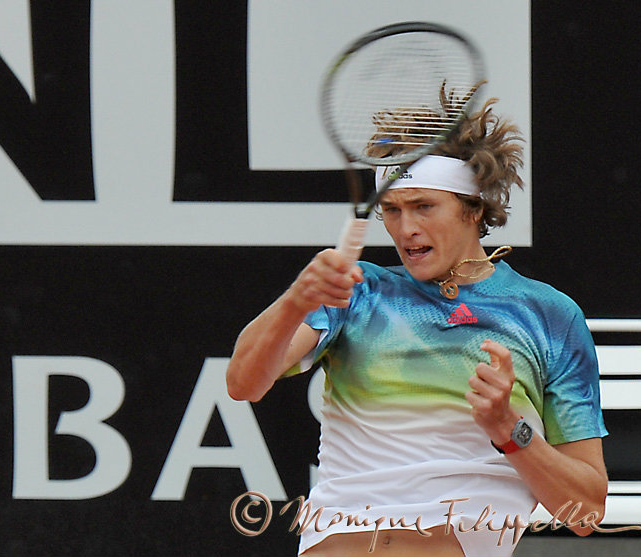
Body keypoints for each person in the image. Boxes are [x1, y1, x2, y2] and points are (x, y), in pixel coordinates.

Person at [226, 94, 608, 557]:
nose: (405, 228)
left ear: (474, 207)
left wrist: (509, 428)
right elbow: (243, 383)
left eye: (424, 206)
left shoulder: (549, 315)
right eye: (391, 209)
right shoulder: (357, 291)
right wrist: (295, 302)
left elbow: (585, 512)